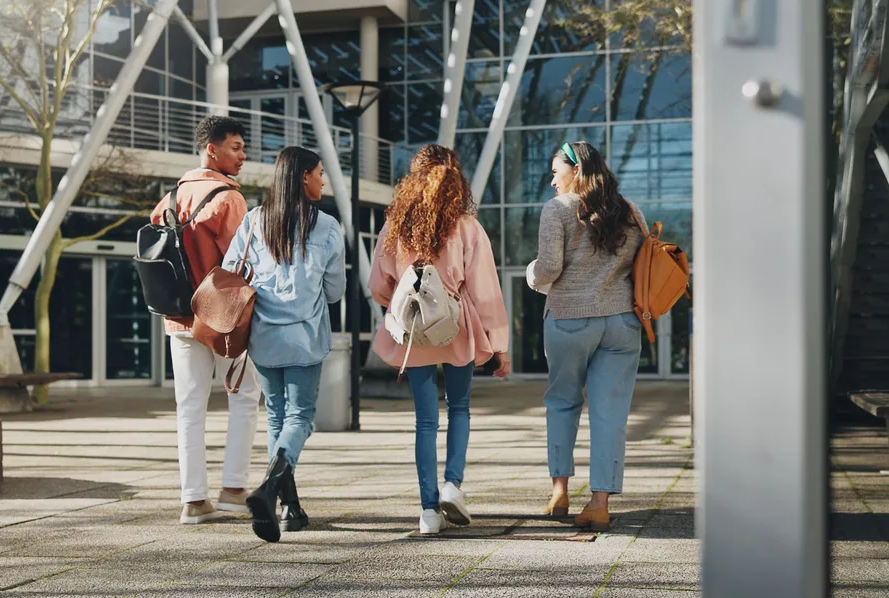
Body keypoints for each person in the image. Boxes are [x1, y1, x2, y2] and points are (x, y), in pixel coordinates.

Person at [369, 144, 509, 535]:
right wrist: (499, 345)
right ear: (455, 181)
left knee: (425, 421)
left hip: (414, 330)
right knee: (459, 407)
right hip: (457, 325)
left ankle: (429, 511)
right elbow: (485, 291)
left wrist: (402, 301)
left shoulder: (393, 227)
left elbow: (378, 285)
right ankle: (453, 485)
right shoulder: (466, 227)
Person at [223, 146, 345, 543]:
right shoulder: (326, 226)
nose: (322, 180)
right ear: (303, 177)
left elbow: (229, 271)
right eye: (319, 173)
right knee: (300, 418)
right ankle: (269, 488)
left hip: (263, 337)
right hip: (304, 337)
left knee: (276, 417)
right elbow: (334, 292)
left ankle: (290, 509)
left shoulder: (256, 220)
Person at [529, 141, 645, 531]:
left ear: (575, 171)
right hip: (622, 323)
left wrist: (531, 275)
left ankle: (559, 491)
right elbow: (644, 261)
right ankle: (599, 503)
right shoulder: (629, 211)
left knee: (562, 402)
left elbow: (547, 268)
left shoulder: (558, 210)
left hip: (569, 320)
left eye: (555, 170)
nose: (551, 179)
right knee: (609, 413)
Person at [150, 115, 261, 525]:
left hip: (178, 316)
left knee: (189, 406)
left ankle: (193, 500)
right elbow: (243, 262)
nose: (243, 155)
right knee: (245, 395)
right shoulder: (229, 199)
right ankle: (233, 488)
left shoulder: (168, 198)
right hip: (222, 317)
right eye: (235, 147)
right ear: (210, 149)